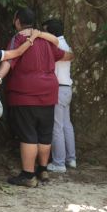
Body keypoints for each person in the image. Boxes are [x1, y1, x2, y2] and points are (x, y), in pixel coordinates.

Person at [0, 8, 72, 188]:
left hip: (25, 93)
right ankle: (42, 170)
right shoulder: (45, 39)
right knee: (44, 134)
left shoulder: (18, 39)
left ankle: (28, 175)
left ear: (17, 21)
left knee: (28, 134)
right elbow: (66, 55)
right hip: (49, 92)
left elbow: (8, 59)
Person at [42, 18, 76, 173]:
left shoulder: (56, 45)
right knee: (66, 124)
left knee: (57, 126)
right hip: (67, 88)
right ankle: (71, 159)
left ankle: (59, 163)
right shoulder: (65, 44)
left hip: (58, 89)